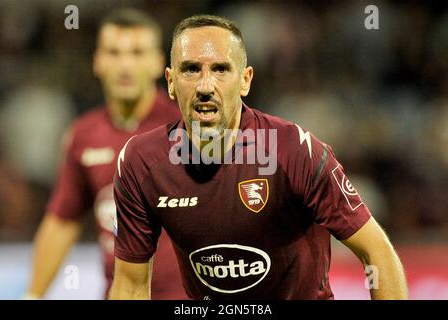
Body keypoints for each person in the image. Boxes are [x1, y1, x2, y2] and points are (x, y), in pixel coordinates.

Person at [110, 15, 408, 300]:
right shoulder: (141, 163)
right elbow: (130, 286)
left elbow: (377, 253)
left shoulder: (293, 151)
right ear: (171, 82)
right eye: (191, 69)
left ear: (245, 80)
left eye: (220, 69)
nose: (205, 86)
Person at [25, 8, 187, 299]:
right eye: (114, 52)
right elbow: (62, 222)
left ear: (158, 64)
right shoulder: (83, 135)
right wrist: (33, 295)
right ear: (97, 62)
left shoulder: (187, 130)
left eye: (137, 53)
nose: (125, 65)